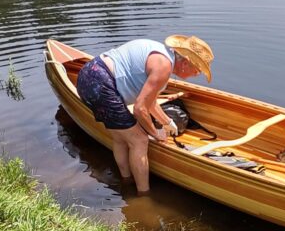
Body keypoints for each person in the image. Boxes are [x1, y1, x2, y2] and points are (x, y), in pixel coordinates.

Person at [76, 35, 213, 193]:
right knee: (140, 140)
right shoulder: (164, 66)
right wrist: (155, 133)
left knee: (121, 138)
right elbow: (140, 108)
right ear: (185, 62)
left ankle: (126, 181)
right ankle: (143, 193)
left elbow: (150, 101)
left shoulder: (162, 55)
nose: (197, 74)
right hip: (101, 84)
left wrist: (167, 122)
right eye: (198, 70)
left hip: (88, 75)